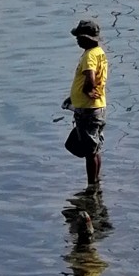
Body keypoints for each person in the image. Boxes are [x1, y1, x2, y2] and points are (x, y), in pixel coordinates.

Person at [62, 19, 108, 186]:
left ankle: (91, 185)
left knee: (89, 150)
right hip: (97, 107)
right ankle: (96, 182)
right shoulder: (99, 53)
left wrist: (87, 92)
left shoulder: (89, 56)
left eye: (79, 37)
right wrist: (73, 98)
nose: (77, 39)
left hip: (88, 109)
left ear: (87, 38)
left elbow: (89, 77)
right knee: (95, 148)